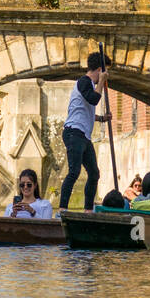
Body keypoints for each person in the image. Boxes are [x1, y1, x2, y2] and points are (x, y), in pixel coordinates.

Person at [58, 51, 112, 212]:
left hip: (82, 135)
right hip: (73, 132)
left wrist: (102, 118)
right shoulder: (84, 81)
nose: (106, 75)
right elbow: (94, 99)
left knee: (94, 173)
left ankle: (88, 210)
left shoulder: (89, 86)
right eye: (105, 71)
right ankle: (62, 210)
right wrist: (101, 82)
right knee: (74, 171)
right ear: (98, 70)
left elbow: (84, 111)